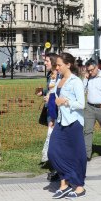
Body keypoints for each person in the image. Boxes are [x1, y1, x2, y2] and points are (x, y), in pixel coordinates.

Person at [48, 52, 87, 199]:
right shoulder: (59, 79)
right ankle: (66, 181)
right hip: (60, 121)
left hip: (74, 122)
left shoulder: (76, 81)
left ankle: (79, 186)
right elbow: (55, 95)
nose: (57, 67)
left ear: (68, 65)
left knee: (76, 154)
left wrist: (65, 102)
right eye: (56, 65)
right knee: (53, 152)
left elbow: (81, 104)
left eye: (59, 65)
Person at [39, 53, 60, 181]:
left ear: (53, 61)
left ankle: (57, 169)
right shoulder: (49, 75)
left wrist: (51, 98)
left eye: (47, 61)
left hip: (58, 110)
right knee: (51, 137)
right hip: (50, 109)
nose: (45, 63)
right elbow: (50, 90)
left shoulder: (60, 75)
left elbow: (59, 92)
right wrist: (44, 93)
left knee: (55, 138)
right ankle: (54, 167)